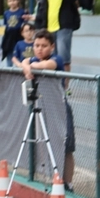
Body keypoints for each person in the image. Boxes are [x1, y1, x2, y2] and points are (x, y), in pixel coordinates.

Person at [20, 29, 75, 188]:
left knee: (66, 147)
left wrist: (30, 66)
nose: (40, 49)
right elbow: (24, 62)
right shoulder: (32, 59)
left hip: (61, 109)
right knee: (45, 143)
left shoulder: (56, 59)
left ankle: (68, 183)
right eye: (37, 45)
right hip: (42, 108)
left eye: (44, 46)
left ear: (52, 46)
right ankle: (51, 178)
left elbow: (45, 65)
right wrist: (26, 65)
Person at [35, 0, 81, 72]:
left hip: (63, 27)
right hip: (50, 28)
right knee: (50, 58)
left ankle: (65, 87)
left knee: (63, 58)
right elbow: (44, 6)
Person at [1, 0, 25, 66]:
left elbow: (24, 24)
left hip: (18, 35)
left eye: (14, 0)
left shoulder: (22, 12)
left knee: (19, 53)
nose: (12, 2)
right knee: (10, 55)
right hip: (9, 37)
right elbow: (6, 25)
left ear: (18, 1)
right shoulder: (6, 13)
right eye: (10, 1)